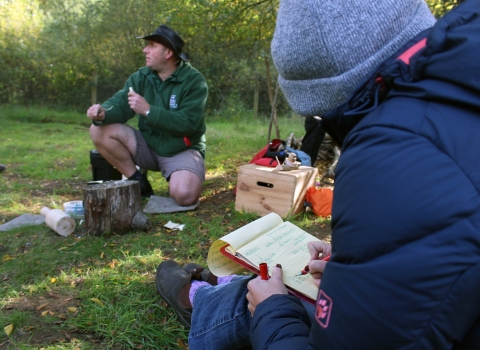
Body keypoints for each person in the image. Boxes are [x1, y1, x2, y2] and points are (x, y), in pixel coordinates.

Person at [157, 0, 480, 349]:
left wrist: (272, 310)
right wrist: (357, 266)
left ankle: (199, 300)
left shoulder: (392, 153)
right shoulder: (457, 86)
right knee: (290, 284)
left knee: (270, 299)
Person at [86, 25, 208, 204]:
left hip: (181, 150)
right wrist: (103, 113)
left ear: (167, 52)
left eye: (151, 45)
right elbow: (120, 103)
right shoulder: (141, 77)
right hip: (147, 145)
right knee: (98, 130)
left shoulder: (194, 81)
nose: (145, 50)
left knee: (185, 195)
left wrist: (148, 110)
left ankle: (179, 176)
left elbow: (187, 123)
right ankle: (138, 181)